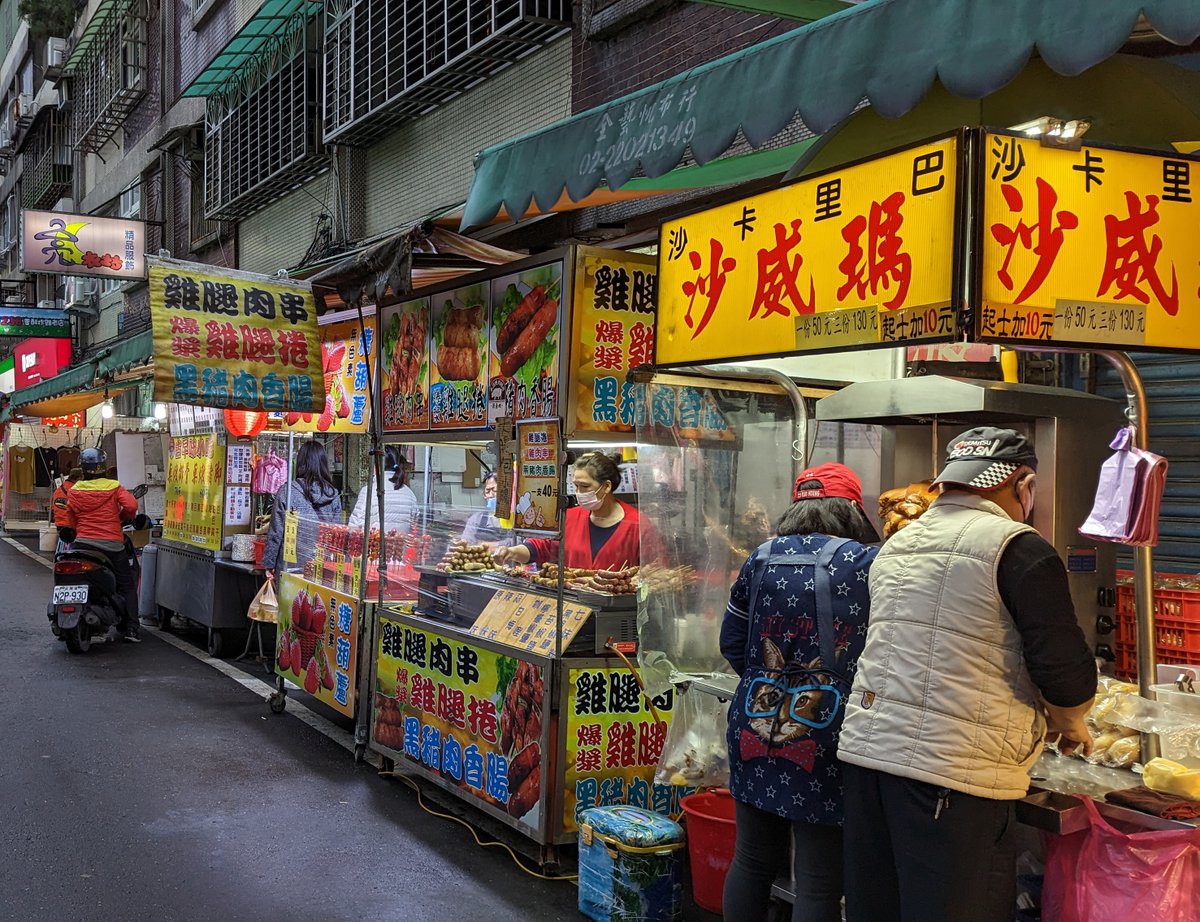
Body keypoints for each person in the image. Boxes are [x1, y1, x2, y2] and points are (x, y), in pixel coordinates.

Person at [838, 427, 1097, 922]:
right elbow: (1064, 672)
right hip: (949, 776)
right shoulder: (1019, 547)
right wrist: (1072, 722)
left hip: (868, 761)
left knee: (879, 909)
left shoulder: (897, 545)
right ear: (1023, 484)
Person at [720, 463, 879, 922]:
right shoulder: (864, 562)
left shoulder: (762, 556)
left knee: (751, 860)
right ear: (851, 508)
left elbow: (731, 641)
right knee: (819, 882)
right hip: (825, 730)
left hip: (754, 719)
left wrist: (769, 681)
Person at [496, 452, 660, 570]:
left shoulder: (638, 525)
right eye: (576, 486)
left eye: (585, 486)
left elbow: (657, 571)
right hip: (573, 609)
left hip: (617, 611)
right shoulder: (570, 517)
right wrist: (511, 552)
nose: (579, 492)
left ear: (607, 486)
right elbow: (541, 547)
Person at [58, 448, 141, 642]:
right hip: (111, 544)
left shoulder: (75, 489)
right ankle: (131, 628)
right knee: (126, 584)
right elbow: (131, 506)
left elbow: (69, 518)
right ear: (102, 466)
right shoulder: (113, 486)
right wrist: (120, 517)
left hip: (82, 544)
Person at [263, 441, 343, 578]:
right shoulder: (333, 495)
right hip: (323, 567)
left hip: (290, 567)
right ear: (323, 464)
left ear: (300, 463)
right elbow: (337, 534)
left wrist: (269, 563)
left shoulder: (287, 492)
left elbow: (276, 532)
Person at [347, 447, 418, 538]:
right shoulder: (409, 494)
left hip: (375, 549)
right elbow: (414, 529)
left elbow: (356, 527)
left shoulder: (368, 492)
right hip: (400, 549)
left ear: (376, 466)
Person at [461, 473, 512, 546]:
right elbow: (466, 542)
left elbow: (519, 542)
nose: (491, 495)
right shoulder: (476, 518)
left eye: (495, 490)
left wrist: (485, 546)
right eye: (487, 491)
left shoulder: (514, 519)